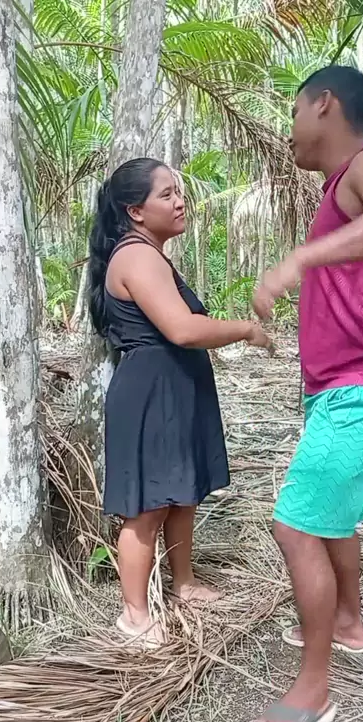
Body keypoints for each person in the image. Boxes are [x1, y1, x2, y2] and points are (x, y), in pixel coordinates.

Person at [245, 66, 363, 722]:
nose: (289, 129)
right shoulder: (342, 185)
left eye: (294, 111)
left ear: (324, 104)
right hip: (345, 388)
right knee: (334, 519)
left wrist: (301, 258)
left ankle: (314, 689)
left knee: (295, 525)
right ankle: (348, 621)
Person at [88, 157, 271, 647]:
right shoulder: (137, 256)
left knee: (182, 492)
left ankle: (183, 583)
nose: (180, 201)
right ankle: (134, 616)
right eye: (166, 194)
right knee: (147, 508)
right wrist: (246, 329)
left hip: (173, 388)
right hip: (151, 393)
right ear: (135, 211)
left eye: (178, 191)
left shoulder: (150, 254)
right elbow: (182, 329)